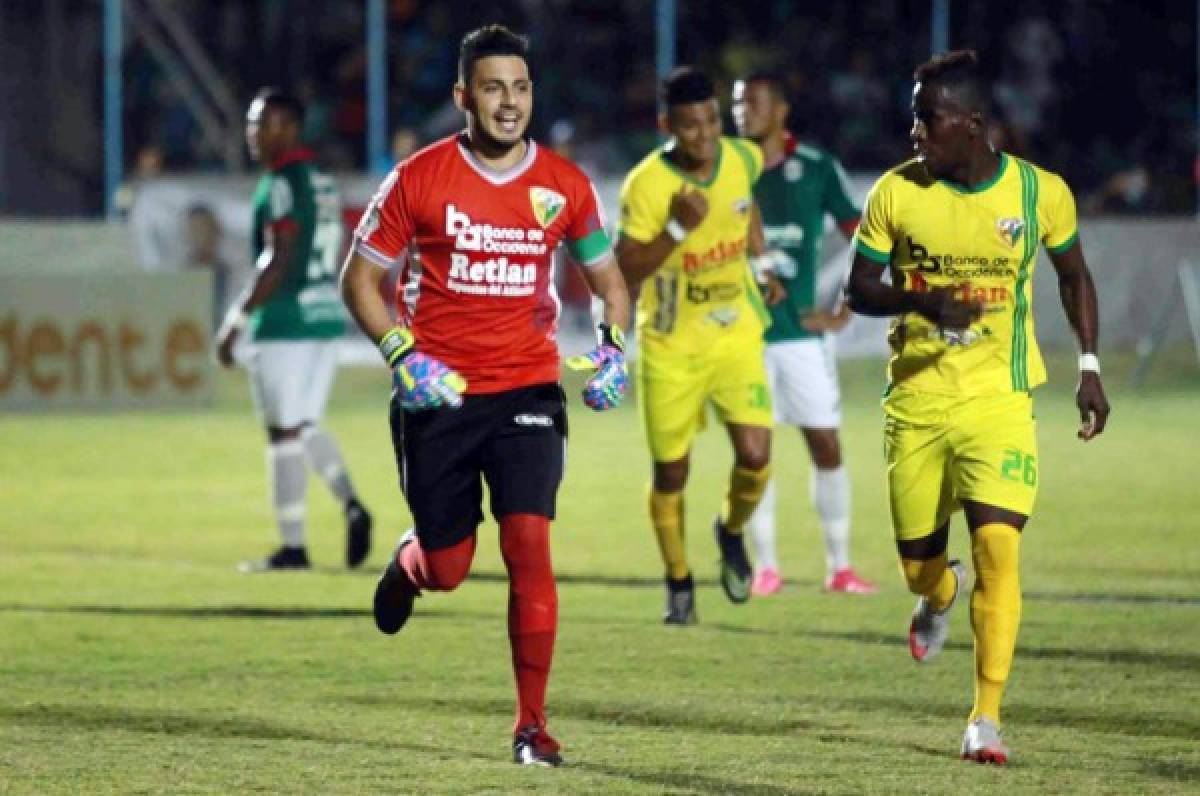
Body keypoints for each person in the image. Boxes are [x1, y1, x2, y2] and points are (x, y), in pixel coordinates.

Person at [340, 25, 630, 767]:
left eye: (522, 88)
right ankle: (412, 566)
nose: (510, 103)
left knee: (529, 541)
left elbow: (608, 284)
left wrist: (612, 351)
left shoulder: (565, 185)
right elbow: (359, 282)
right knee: (451, 565)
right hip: (437, 396)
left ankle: (531, 726)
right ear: (463, 96)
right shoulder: (417, 178)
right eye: (495, 88)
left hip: (526, 389)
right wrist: (402, 355)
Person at [845, 50, 1110, 764]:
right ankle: (939, 592)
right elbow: (859, 290)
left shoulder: (1038, 193)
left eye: (926, 120)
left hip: (1000, 401)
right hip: (918, 402)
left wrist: (1088, 365)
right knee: (917, 568)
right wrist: (925, 300)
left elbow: (1073, 276)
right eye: (913, 119)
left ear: (971, 123)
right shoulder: (895, 194)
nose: (914, 133)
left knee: (1000, 548)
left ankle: (984, 719)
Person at [616, 67, 784, 625]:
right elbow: (622, 268)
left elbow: (746, 201)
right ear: (667, 125)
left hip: (734, 334)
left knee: (757, 457)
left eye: (711, 120)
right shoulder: (646, 186)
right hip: (670, 346)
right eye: (691, 126)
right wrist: (677, 232)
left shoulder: (739, 157)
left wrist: (760, 262)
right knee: (671, 475)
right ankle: (679, 580)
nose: (705, 135)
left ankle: (731, 530)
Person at [215, 88, 373, 573]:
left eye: (262, 124)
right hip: (325, 314)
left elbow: (278, 254)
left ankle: (293, 547)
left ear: (289, 128)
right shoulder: (323, 182)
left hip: (285, 319)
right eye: (251, 124)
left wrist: (237, 318)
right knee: (304, 425)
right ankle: (350, 503)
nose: (253, 135)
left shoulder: (281, 181)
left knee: (283, 432)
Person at [732, 72, 877, 596]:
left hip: (799, 337)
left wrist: (845, 304)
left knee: (826, 444)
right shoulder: (725, 168)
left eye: (754, 102)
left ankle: (839, 567)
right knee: (754, 452)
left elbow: (863, 235)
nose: (743, 111)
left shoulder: (816, 169)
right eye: (739, 103)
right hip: (742, 339)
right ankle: (766, 567)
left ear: (782, 110)